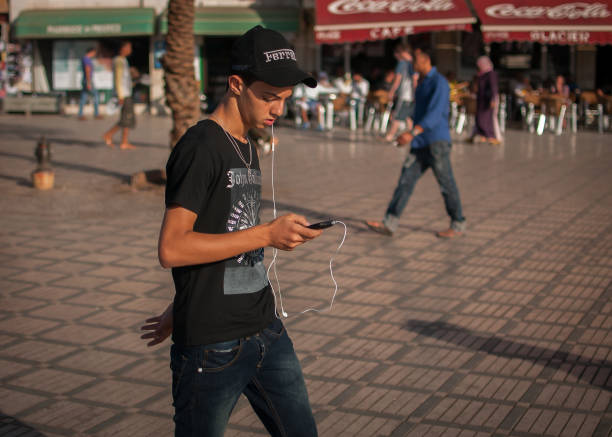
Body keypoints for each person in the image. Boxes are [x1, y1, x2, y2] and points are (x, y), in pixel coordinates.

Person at [140, 25, 322, 437]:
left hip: (266, 330)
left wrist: (176, 306)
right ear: (236, 84)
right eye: (269, 96)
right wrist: (266, 234)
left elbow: (221, 234)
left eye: (286, 99)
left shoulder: (248, 146)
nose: (278, 109)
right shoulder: (200, 147)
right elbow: (172, 247)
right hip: (212, 348)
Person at [365, 45, 466, 239]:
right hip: (420, 143)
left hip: (436, 142)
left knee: (446, 185)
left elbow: (435, 114)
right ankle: (390, 223)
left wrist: (412, 132)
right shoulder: (421, 83)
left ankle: (458, 223)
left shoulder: (439, 82)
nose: (413, 65)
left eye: (416, 61)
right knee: (405, 182)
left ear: (427, 61)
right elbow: (417, 112)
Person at [103, 41, 136, 149]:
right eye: (128, 47)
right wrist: (120, 95)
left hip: (126, 92)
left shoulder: (123, 60)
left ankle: (124, 141)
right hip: (123, 94)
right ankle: (108, 134)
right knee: (125, 119)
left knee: (127, 118)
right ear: (122, 48)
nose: (129, 49)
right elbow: (118, 79)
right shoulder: (118, 61)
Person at [384, 43, 418, 143]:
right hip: (412, 95)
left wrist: (391, 91)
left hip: (405, 95)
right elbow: (415, 79)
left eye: (396, 53)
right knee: (408, 117)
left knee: (397, 116)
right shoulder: (414, 62)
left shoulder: (402, 63)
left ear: (402, 52)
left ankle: (390, 136)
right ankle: (412, 136)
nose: (396, 56)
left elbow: (397, 80)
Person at [471, 56, 501, 145]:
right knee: (480, 118)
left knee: (488, 118)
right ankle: (482, 135)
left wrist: (493, 99)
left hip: (489, 100)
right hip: (482, 100)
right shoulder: (482, 74)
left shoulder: (491, 74)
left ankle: (492, 136)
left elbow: (493, 87)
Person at [78, 47, 101, 120]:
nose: (94, 54)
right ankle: (96, 113)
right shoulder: (87, 59)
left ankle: (80, 114)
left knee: (84, 96)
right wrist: (89, 82)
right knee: (96, 95)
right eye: (94, 53)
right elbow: (87, 70)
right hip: (88, 80)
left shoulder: (84, 59)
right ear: (91, 52)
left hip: (85, 79)